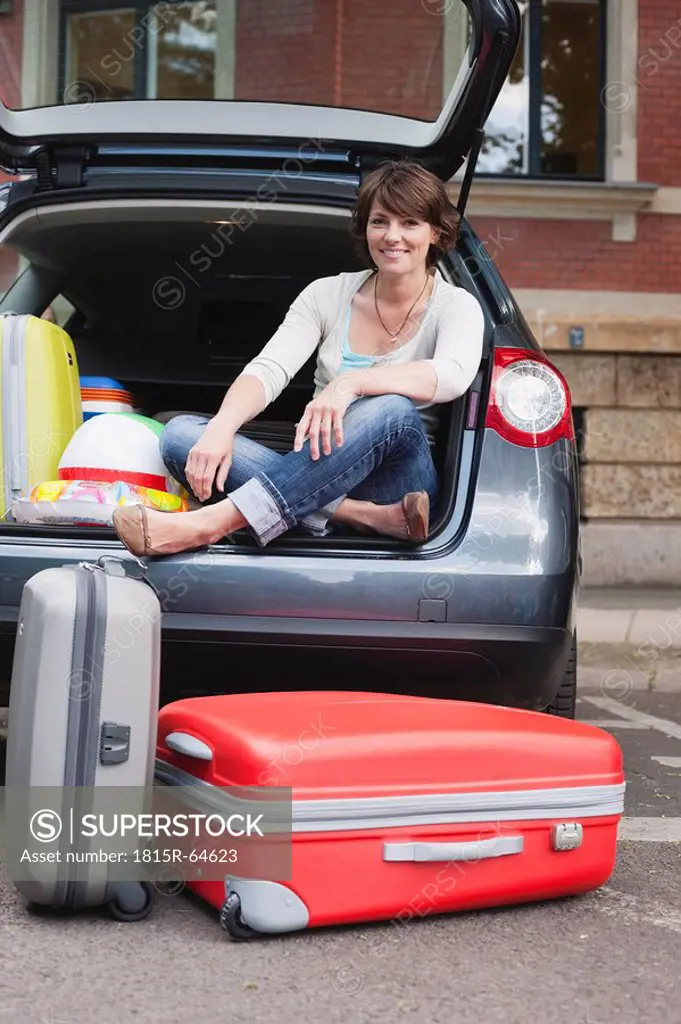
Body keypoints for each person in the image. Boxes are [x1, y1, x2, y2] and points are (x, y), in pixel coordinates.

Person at [112, 159, 485, 557]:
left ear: (436, 232)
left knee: (390, 407)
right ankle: (363, 516)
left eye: (409, 223)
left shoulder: (457, 305)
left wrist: (350, 383)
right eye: (380, 221)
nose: (392, 236)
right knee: (183, 434)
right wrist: (222, 426)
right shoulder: (327, 294)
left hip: (398, 480)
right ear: (366, 228)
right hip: (318, 471)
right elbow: (270, 369)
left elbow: (453, 375)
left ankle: (211, 523)